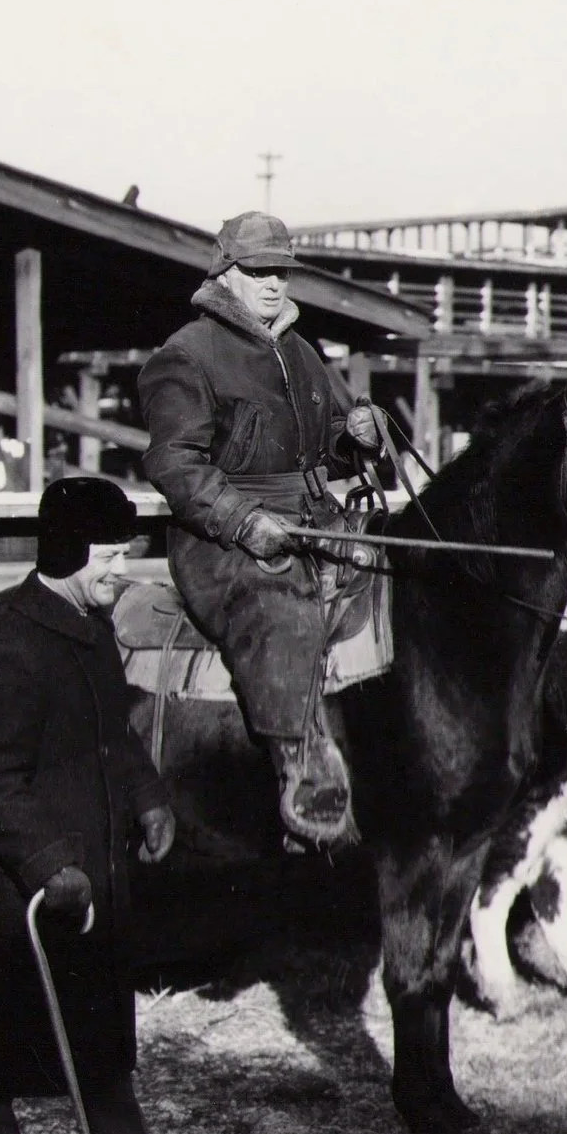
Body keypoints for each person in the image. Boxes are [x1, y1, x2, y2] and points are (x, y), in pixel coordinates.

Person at [0, 476, 209, 1134]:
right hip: (9, 889)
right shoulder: (12, 647)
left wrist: (148, 798)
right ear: (71, 553)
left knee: (102, 1031)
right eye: (112, 556)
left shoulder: (85, 629)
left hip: (84, 877)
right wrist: (49, 862)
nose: (124, 571)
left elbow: (110, 735)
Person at [136, 211, 392, 848]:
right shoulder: (186, 355)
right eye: (258, 271)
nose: (274, 283)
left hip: (312, 520)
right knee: (282, 608)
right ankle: (300, 770)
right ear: (226, 274)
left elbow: (326, 447)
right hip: (218, 541)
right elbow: (175, 463)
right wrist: (244, 522)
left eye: (281, 271)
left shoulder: (302, 354)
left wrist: (356, 436)